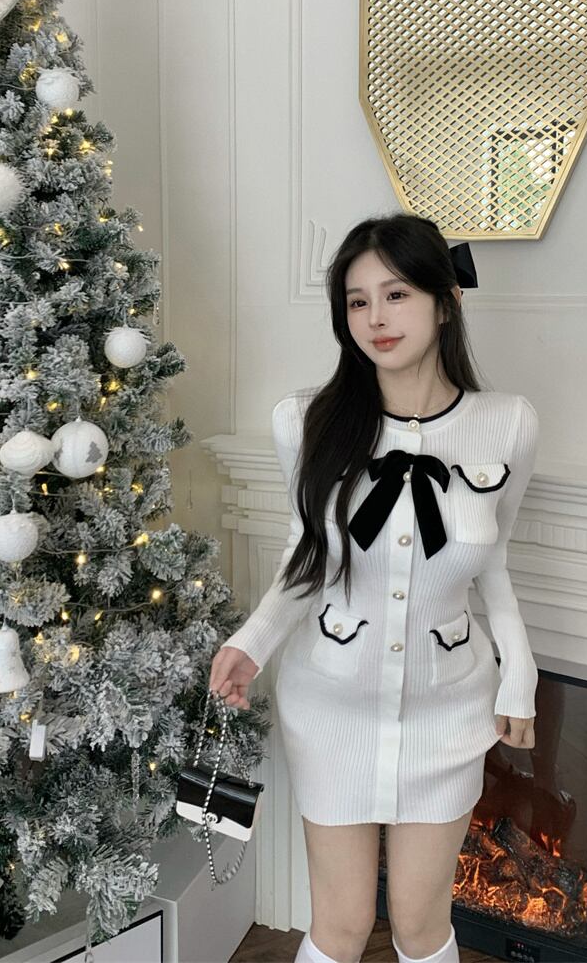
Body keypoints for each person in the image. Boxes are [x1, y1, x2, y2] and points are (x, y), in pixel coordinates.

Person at [209, 213, 539, 963]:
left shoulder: (508, 425)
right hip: (331, 703)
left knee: (421, 926)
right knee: (342, 924)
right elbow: (306, 556)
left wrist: (518, 676)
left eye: (396, 295)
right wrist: (251, 643)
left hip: (447, 708)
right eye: (357, 301)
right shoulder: (304, 421)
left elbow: (494, 562)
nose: (376, 318)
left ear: (445, 302)